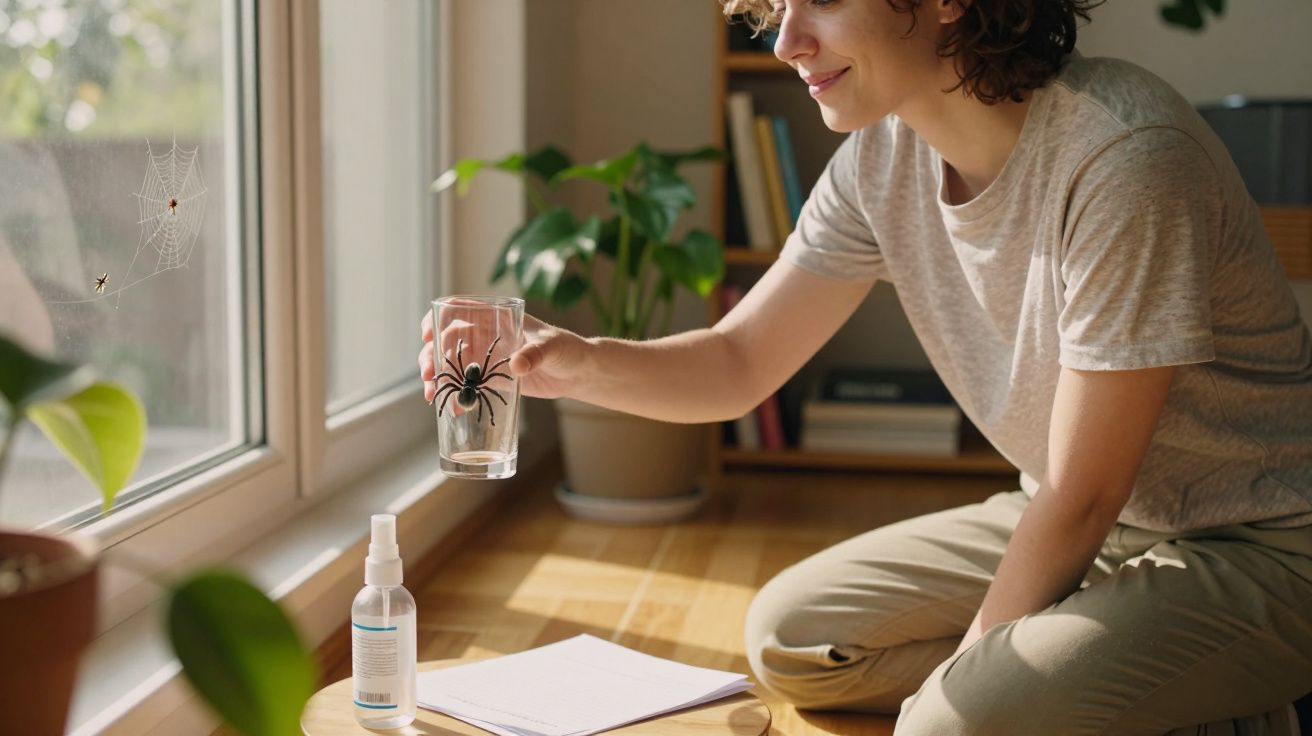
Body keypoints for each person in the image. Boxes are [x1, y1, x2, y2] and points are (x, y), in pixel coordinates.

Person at [419, 0, 1312, 732]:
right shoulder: (879, 161)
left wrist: (963, 695)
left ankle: (1203, 692)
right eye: (775, 6)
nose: (786, 39)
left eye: (825, 1)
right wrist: (571, 361)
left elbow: (1083, 492)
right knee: (791, 639)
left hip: (1261, 543)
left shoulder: (1124, 158)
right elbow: (737, 362)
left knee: (952, 721)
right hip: (1098, 524)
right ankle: (1141, 685)